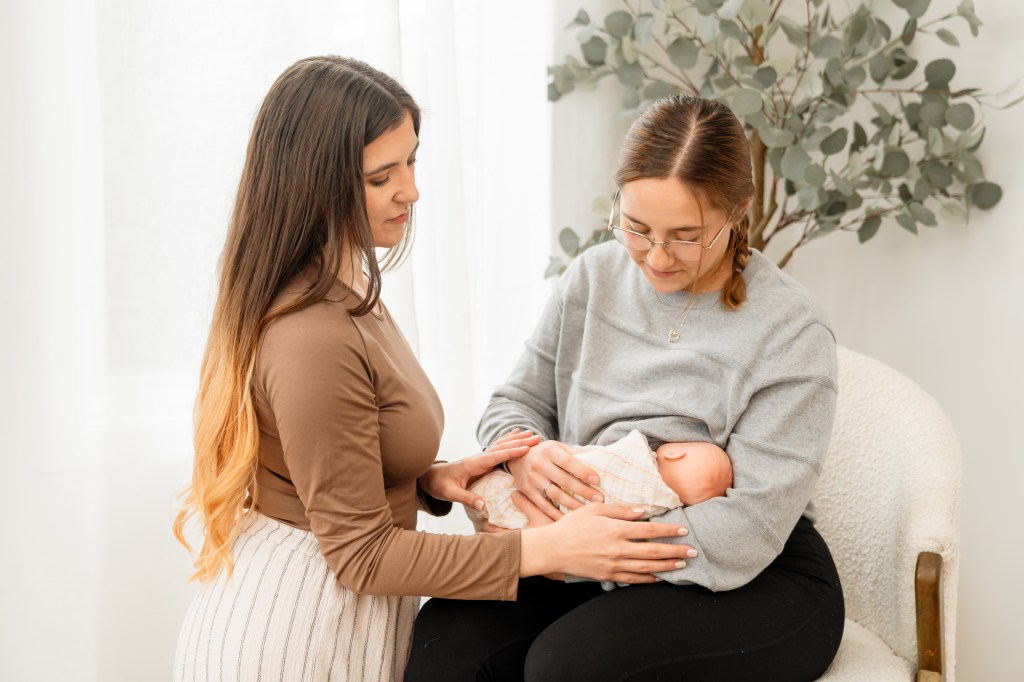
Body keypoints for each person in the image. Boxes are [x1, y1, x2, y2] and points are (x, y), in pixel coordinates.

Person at [170, 55, 695, 682]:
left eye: (411, 162)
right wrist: (543, 549)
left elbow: (326, 466)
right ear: (316, 185)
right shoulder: (312, 334)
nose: (411, 192)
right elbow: (361, 556)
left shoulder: (345, 284)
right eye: (381, 177)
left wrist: (426, 480)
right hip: (295, 636)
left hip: (325, 615)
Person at [404, 94, 845, 681]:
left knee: (567, 667)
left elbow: (751, 527)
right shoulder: (593, 277)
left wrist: (573, 558)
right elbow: (517, 402)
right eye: (637, 228)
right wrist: (526, 453)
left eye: (686, 235)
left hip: (748, 567)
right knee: (443, 643)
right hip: (582, 533)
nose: (657, 257)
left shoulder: (791, 329)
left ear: (739, 211)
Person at [467, 430, 733, 531]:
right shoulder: (654, 507)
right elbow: (515, 399)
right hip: (532, 485)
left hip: (562, 544)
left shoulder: (634, 456)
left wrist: (549, 552)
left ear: (675, 453)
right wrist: (523, 451)